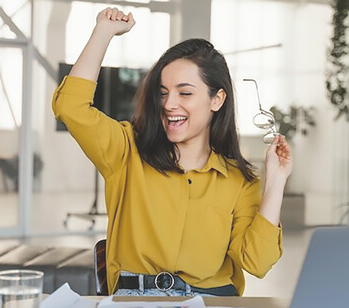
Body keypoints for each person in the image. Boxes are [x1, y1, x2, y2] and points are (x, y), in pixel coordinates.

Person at [52, 7, 292, 297]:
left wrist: (276, 181)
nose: (169, 104)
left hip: (210, 299)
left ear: (217, 100)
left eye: (185, 92)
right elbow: (70, 108)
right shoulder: (126, 151)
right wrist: (102, 32)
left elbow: (258, 262)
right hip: (135, 299)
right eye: (163, 92)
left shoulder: (240, 181)